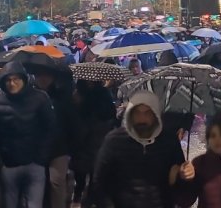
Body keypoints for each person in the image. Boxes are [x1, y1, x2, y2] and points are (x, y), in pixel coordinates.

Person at [93, 90, 186, 208]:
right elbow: (99, 182)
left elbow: (181, 188)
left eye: (147, 113)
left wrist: (183, 177)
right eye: (137, 113)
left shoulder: (169, 141)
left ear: (156, 115)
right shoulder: (114, 141)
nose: (142, 119)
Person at [0, 61, 56, 208]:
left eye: (16, 79)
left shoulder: (40, 98)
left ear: (24, 79)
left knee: (34, 204)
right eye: (8, 80)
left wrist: (41, 158)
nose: (12, 83)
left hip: (34, 163)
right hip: (8, 164)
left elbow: (50, 128)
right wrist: (0, 163)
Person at [30, 64, 80, 208]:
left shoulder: (62, 97)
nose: (43, 79)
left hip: (58, 149)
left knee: (56, 183)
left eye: (47, 76)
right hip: (36, 148)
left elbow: (71, 124)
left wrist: (71, 148)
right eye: (39, 75)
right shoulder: (31, 97)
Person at [71, 79, 117, 207]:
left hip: (93, 137)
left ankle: (85, 199)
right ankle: (82, 197)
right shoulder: (83, 93)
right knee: (86, 171)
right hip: (89, 137)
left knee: (90, 171)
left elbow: (109, 113)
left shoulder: (97, 93)